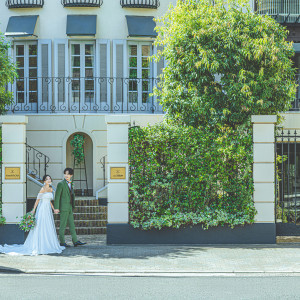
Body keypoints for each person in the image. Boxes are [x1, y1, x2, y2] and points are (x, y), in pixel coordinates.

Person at [0, 175, 65, 256]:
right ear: (44, 181)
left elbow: (49, 201)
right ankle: (39, 245)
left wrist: (54, 209)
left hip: (48, 209)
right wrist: (34, 210)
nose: (48, 180)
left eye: (49, 179)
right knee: (41, 225)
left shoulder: (51, 189)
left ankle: (48, 243)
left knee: (48, 225)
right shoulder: (43, 189)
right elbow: (37, 200)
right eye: (47, 179)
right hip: (42, 209)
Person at [54, 168, 86, 247]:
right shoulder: (61, 184)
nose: (66, 175)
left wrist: (72, 206)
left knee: (72, 225)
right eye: (65, 174)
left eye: (68, 174)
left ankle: (75, 241)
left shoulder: (71, 183)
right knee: (63, 225)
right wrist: (56, 208)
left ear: (71, 175)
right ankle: (62, 242)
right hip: (64, 208)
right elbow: (57, 196)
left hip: (70, 207)